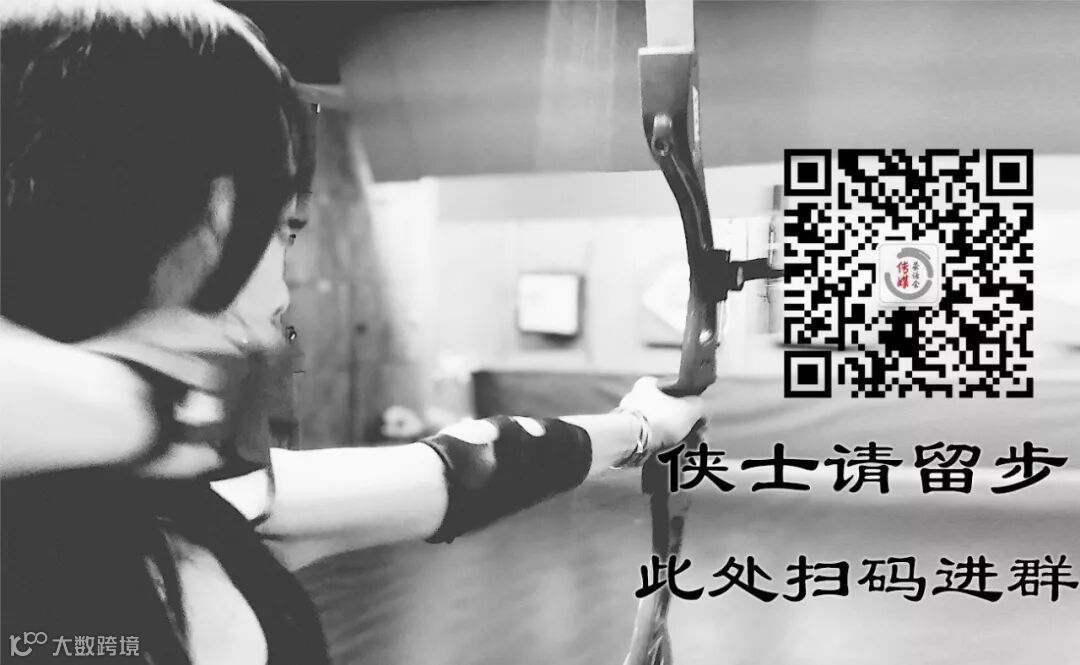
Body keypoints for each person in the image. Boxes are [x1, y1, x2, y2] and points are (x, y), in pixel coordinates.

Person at [0, 2, 706, 664]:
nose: (281, 292)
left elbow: (474, 467)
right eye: (275, 228)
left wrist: (640, 428)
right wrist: (169, 403)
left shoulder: (203, 512)